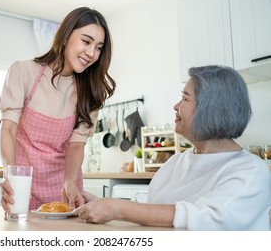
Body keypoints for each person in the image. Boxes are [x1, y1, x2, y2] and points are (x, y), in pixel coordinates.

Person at [73, 65, 271, 230]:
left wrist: (118, 208)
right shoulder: (176, 162)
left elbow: (210, 218)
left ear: (210, 109)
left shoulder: (252, 171)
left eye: (185, 98)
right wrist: (100, 205)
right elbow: (153, 213)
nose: (176, 106)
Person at [0, 7, 116, 217]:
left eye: (98, 47)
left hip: (65, 189)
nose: (91, 53)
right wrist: (11, 175)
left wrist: (70, 183)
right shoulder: (24, 72)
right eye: (86, 41)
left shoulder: (91, 92)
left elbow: (76, 144)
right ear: (64, 37)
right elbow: (8, 130)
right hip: (22, 185)